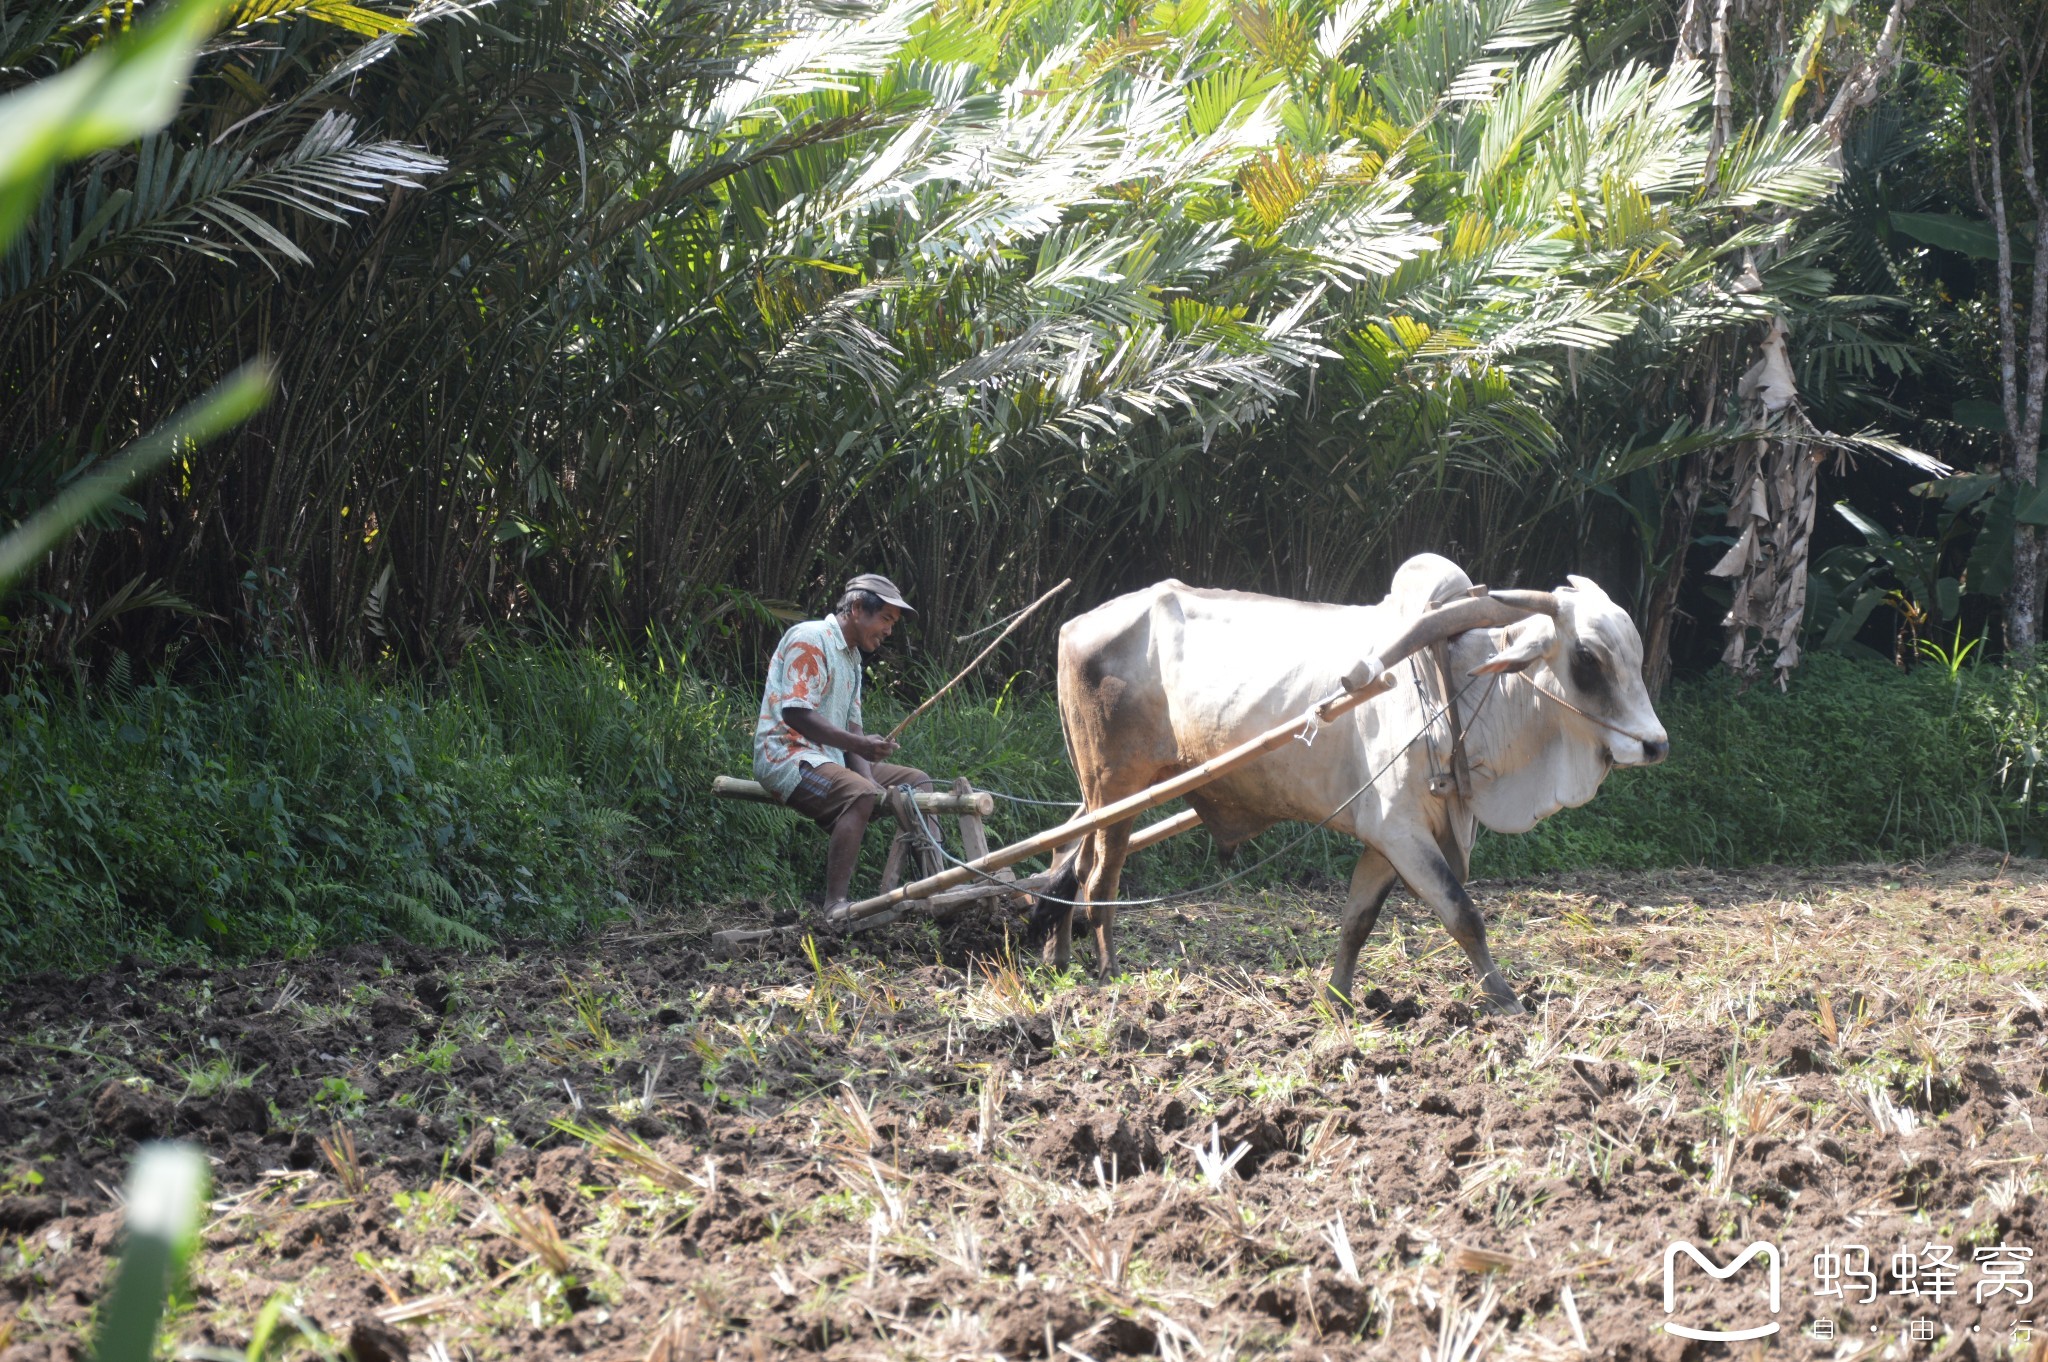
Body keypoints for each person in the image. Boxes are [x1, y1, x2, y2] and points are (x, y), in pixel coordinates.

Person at [754, 573, 933, 916]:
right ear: (856, 608)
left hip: (828, 757)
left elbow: (853, 729)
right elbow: (796, 713)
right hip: (786, 756)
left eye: (892, 623)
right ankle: (835, 904)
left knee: (918, 782)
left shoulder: (852, 660)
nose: (888, 631)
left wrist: (870, 773)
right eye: (885, 619)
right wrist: (865, 773)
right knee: (861, 795)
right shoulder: (811, 638)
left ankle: (934, 880)